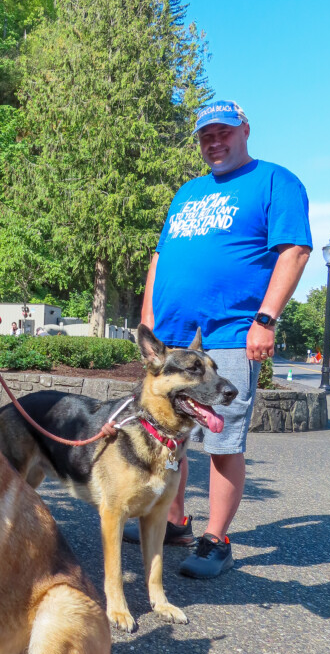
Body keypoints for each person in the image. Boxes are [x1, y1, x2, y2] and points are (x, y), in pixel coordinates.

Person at [131, 99, 312, 578]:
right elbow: (160, 254)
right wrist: (150, 312)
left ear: (244, 130)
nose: (214, 142)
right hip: (171, 338)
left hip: (231, 332)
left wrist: (266, 319)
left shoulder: (274, 180)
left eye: (223, 132)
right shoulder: (187, 192)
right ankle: (174, 523)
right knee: (167, 433)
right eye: (206, 135)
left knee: (222, 439)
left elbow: (295, 250)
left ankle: (217, 540)